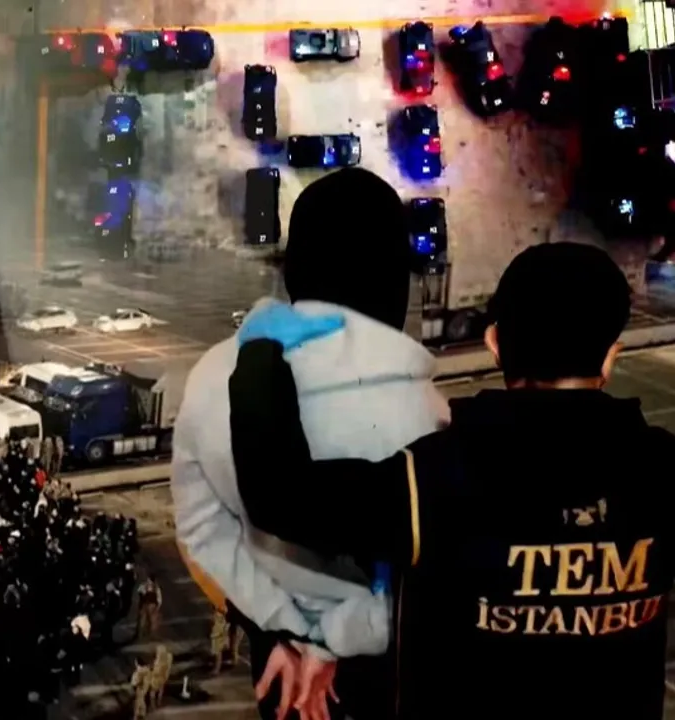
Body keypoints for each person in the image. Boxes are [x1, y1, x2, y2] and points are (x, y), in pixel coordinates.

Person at [230, 242, 674, 720]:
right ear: (609, 358)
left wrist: (260, 350)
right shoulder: (663, 468)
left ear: (494, 343)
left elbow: (279, 495)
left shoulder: (440, 475)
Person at [174, 168, 443, 719]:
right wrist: (332, 642)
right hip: (388, 670)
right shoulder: (427, 413)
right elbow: (430, 574)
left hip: (278, 662)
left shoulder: (213, 377)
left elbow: (202, 534)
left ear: (294, 266)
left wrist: (284, 629)